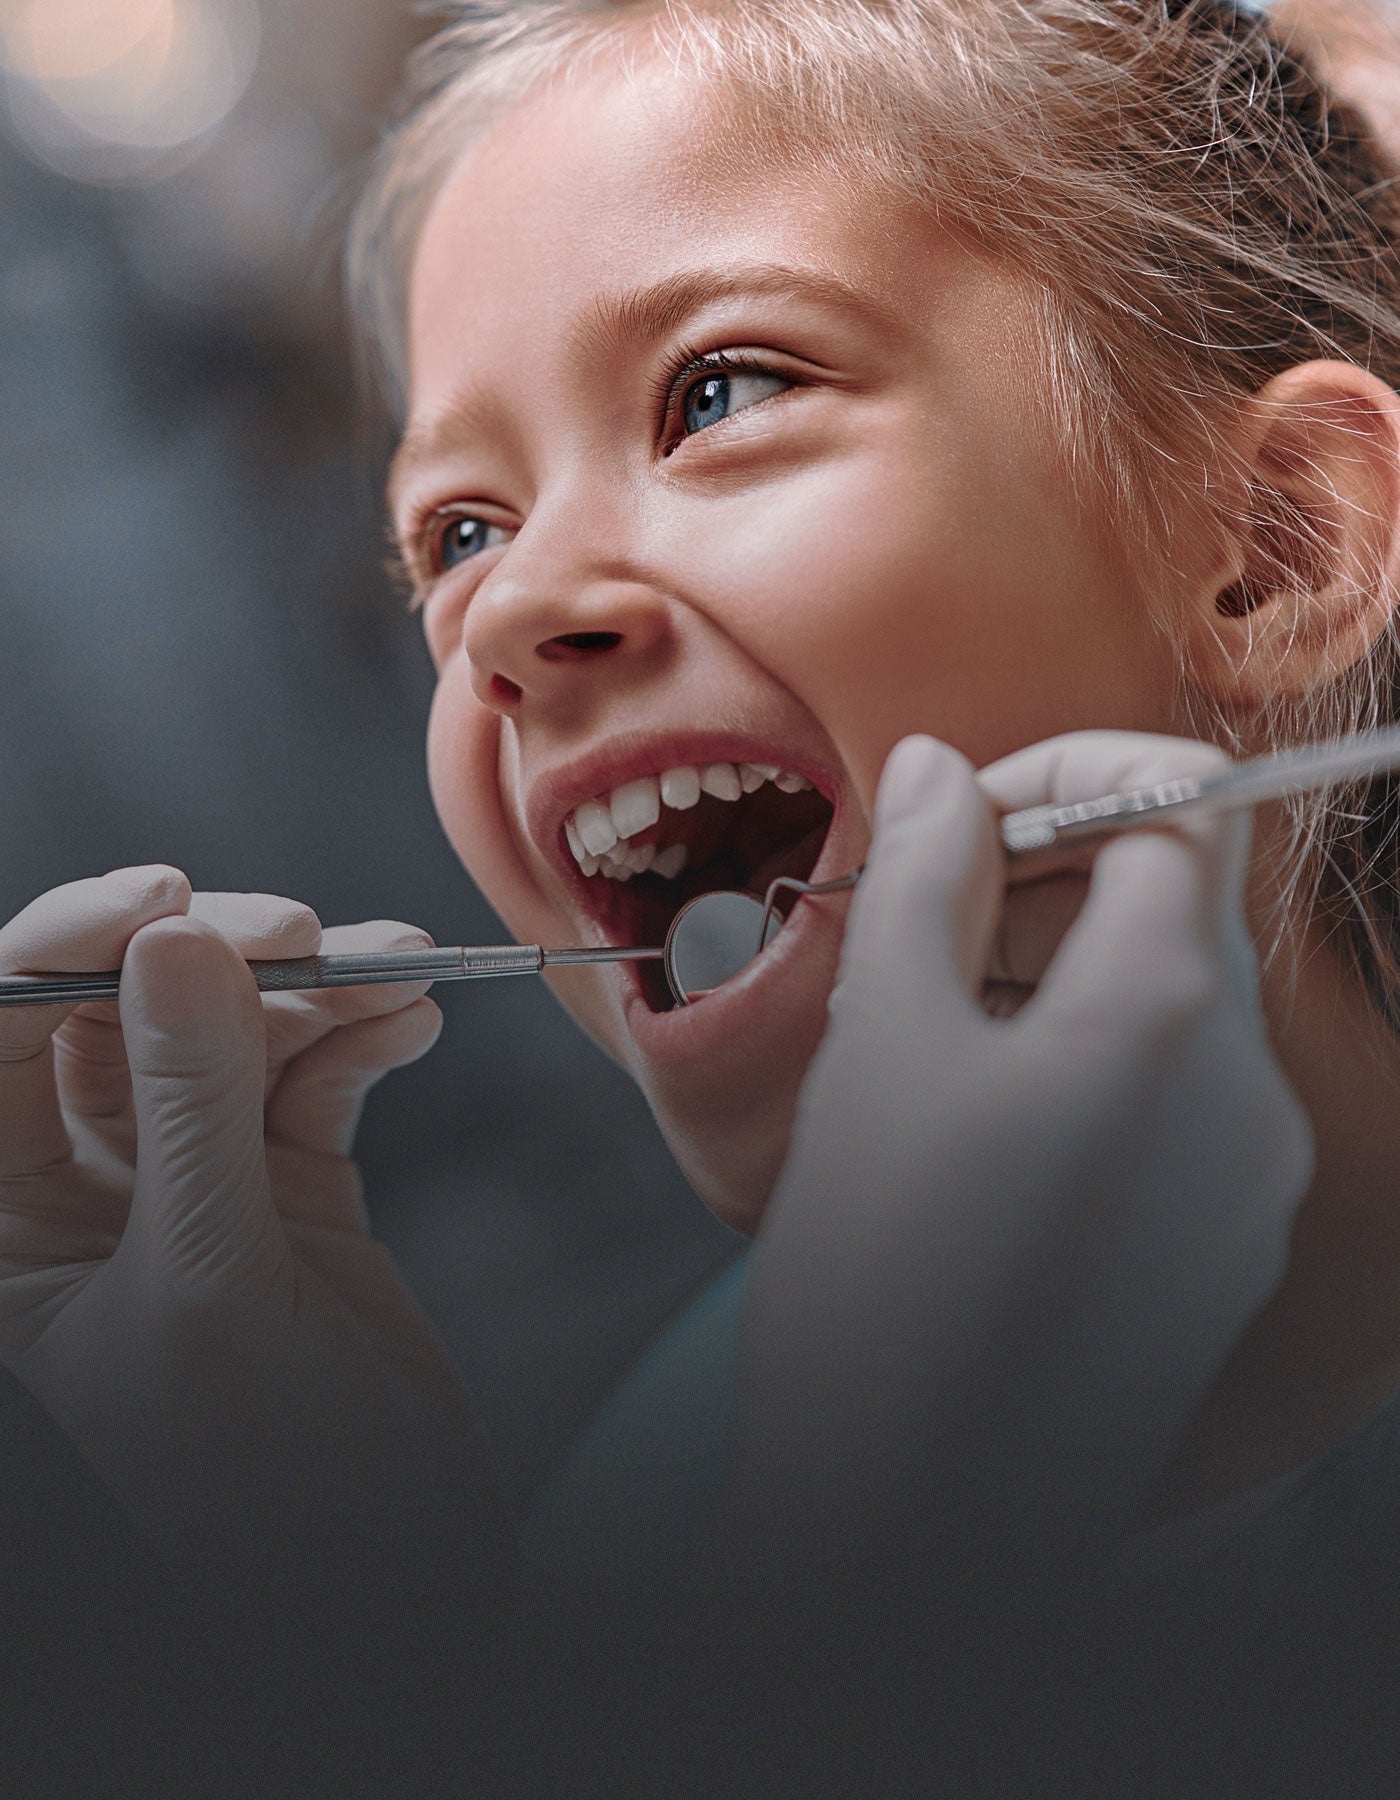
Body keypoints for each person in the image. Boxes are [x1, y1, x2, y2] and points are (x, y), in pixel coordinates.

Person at [1, 0, 1398, 1791]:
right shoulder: (692, 1467)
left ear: (1278, 545)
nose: (497, 619)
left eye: (720, 392)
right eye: (459, 534)